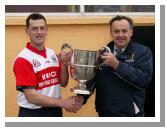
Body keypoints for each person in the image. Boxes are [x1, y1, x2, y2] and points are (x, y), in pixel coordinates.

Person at [78, 15, 153, 117]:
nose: (120, 35)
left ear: (131, 32)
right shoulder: (102, 52)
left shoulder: (143, 52)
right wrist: (81, 98)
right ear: (111, 33)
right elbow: (93, 80)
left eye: (124, 31)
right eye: (116, 31)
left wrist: (117, 65)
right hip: (105, 114)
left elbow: (144, 80)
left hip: (130, 115)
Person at [13, 13, 81, 117]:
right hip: (33, 114)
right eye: (34, 29)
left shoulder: (51, 54)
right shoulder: (23, 59)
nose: (39, 32)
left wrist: (63, 64)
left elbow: (63, 83)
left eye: (42, 28)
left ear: (47, 30)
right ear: (27, 31)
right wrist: (64, 103)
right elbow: (31, 97)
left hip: (55, 111)